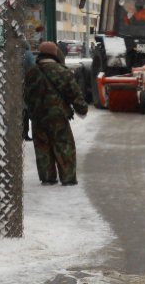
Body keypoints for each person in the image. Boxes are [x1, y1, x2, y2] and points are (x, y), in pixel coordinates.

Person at [24, 41, 88, 186]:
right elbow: (75, 94)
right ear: (55, 53)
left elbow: (25, 94)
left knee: (42, 147)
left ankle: (47, 177)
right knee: (64, 146)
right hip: (58, 117)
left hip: (37, 117)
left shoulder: (31, 72)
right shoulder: (63, 71)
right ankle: (68, 177)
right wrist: (82, 109)